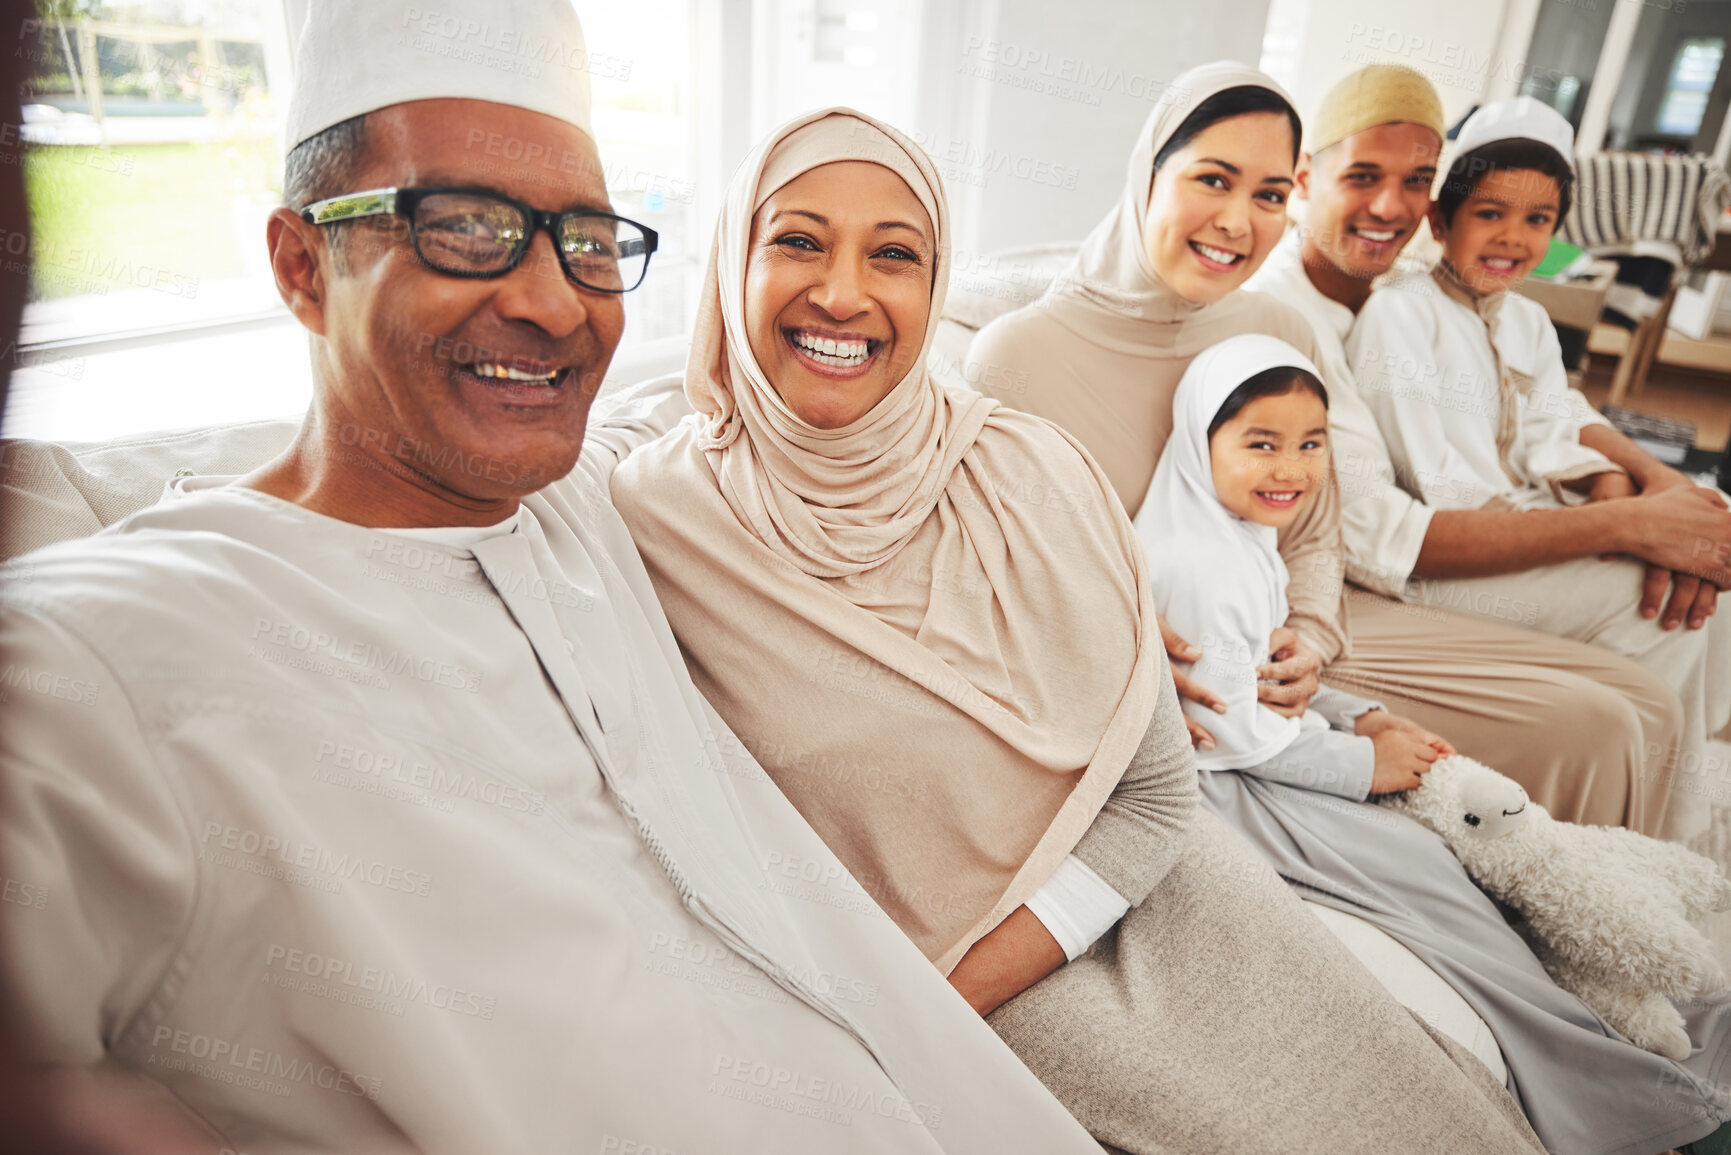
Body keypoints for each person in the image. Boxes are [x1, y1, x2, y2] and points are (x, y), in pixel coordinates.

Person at [0, 4, 1109, 1152]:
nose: (551, 302)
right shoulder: (104, 652)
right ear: (300, 266)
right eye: (466, 228)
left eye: (586, 241)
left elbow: (768, 432)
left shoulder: (585, 506)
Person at [609, 104, 1544, 1155]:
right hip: (947, 982)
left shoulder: (1028, 469)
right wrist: (923, 1014)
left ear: (933, 283)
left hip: (1150, 895)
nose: (843, 293)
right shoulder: (645, 520)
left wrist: (951, 998)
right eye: (796, 241)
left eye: (894, 255)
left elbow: (1152, 796)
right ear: (731, 263)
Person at [965, 61, 1688, 840]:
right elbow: (1010, 591)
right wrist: (1131, 664)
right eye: (1212, 180)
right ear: (1147, 172)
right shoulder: (1020, 356)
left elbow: (1316, 533)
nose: (1238, 222)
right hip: (1170, 689)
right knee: (1592, 724)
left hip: (1293, 647)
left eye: (1269, 195)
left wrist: (1308, 638)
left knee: (1640, 699)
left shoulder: (1279, 331)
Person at [1141, 330, 1731, 1155]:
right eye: (1260, 445)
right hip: (1237, 789)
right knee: (1434, 886)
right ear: (1199, 439)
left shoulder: (1240, 534)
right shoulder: (1200, 564)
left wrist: (1355, 709)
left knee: (1474, 857)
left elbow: (1269, 680)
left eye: (1310, 445)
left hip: (1274, 751)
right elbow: (1235, 737)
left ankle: (1631, 1031)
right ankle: (1600, 1088)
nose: (1290, 470)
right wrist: (1362, 761)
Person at [1246, 65, 1712, 840]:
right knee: (1664, 603)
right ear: (1304, 180)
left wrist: (1640, 484)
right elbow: (1382, 533)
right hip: (1369, 578)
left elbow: (1553, 405)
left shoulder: (1415, 273)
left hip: (1480, 527)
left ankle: (1666, 804)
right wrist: (1631, 524)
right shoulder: (1293, 319)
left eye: (1416, 181)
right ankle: (1656, 832)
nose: (1390, 205)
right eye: (1362, 176)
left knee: (1700, 543)